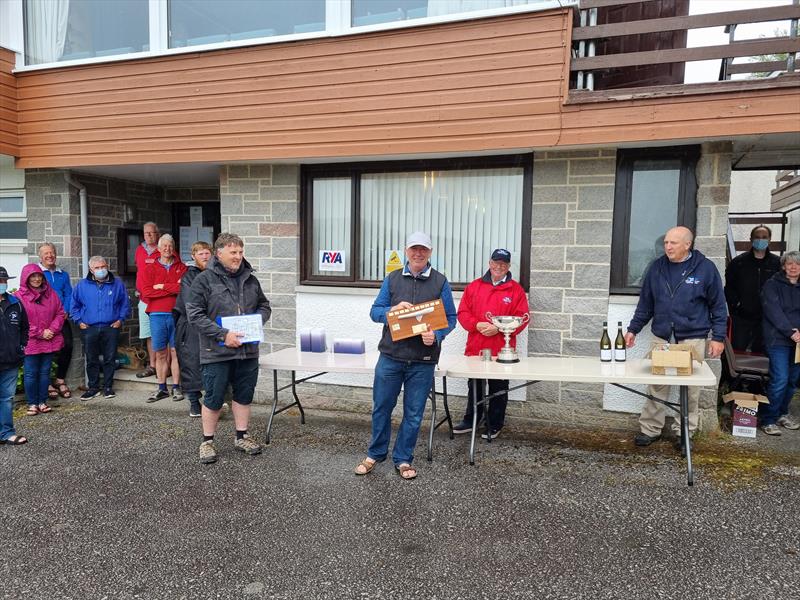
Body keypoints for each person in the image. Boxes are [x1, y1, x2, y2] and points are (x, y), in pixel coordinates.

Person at [354, 232, 457, 480]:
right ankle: (375, 454)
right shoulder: (392, 279)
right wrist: (392, 310)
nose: (418, 253)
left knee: (413, 413)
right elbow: (374, 311)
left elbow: (451, 318)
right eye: (414, 249)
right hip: (391, 356)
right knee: (382, 408)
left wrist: (438, 334)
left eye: (423, 249)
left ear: (430, 252)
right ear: (406, 251)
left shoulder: (440, 282)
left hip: (422, 360)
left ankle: (403, 459)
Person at [624, 226, 726, 450]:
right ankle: (650, 429)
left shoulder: (705, 269)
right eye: (666, 242)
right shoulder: (657, 268)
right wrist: (633, 329)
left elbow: (718, 306)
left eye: (673, 243)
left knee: (689, 389)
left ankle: (685, 433)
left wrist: (718, 337)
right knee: (657, 385)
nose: (668, 247)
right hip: (662, 338)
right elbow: (645, 304)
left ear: (687, 245)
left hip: (691, 340)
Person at [186, 233, 271, 464]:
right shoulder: (204, 280)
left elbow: (264, 305)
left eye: (241, 252)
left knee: (244, 395)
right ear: (219, 253)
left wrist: (257, 321)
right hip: (217, 352)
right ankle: (207, 441)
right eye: (233, 253)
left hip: (247, 350)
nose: (238, 257)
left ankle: (241, 436)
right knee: (213, 397)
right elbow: (194, 315)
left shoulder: (251, 279)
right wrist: (224, 335)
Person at [452, 248, 529, 439]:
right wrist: (476, 324)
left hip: (501, 348)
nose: (498, 266)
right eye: (496, 262)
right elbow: (462, 313)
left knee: (498, 387)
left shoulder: (515, 289)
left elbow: (523, 318)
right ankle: (472, 419)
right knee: (475, 385)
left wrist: (499, 328)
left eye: (503, 263)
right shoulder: (474, 286)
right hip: (476, 346)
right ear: (489, 263)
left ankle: (495, 423)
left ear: (508, 266)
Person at [70, 256, 130, 400]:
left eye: (103, 267)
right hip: (89, 327)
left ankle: (108, 387)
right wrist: (79, 321)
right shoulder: (82, 286)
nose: (101, 270)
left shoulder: (117, 284)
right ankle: (93, 388)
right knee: (91, 359)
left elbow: (125, 304)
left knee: (110, 358)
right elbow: (73, 305)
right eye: (97, 268)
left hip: (111, 327)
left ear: (107, 266)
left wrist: (120, 320)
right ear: (91, 270)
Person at [141, 234, 187, 403]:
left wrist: (162, 286)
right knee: (160, 353)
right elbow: (147, 292)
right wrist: (172, 288)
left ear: (173, 248)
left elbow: (183, 289)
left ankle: (176, 387)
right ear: (158, 249)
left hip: (176, 314)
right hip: (157, 314)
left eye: (170, 246)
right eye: (164, 246)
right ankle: (161, 388)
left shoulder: (182, 268)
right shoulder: (149, 269)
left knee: (176, 351)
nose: (167, 249)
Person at [15, 264, 65, 416]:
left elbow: (60, 313)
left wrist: (51, 330)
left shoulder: (52, 294)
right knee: (30, 373)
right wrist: (40, 333)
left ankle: (42, 402)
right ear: (26, 278)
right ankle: (32, 403)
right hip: (31, 341)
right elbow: (20, 321)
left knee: (45, 373)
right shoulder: (18, 297)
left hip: (49, 338)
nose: (36, 279)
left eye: (39, 276)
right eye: (33, 276)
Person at [758, 250, 800, 435]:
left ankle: (782, 413)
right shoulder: (772, 285)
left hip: (798, 342)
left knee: (792, 380)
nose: (793, 267)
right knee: (780, 379)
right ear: (783, 266)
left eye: (797, 264)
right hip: (778, 340)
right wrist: (791, 332)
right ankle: (768, 419)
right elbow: (773, 312)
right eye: (789, 263)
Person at [724, 225, 780, 353]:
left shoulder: (777, 263)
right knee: (737, 350)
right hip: (742, 317)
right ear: (751, 239)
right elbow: (729, 287)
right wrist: (737, 305)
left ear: (770, 239)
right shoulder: (739, 262)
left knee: (763, 353)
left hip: (768, 318)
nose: (761, 240)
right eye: (757, 237)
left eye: (764, 237)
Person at [173, 241, 212, 417]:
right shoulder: (189, 276)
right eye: (200, 253)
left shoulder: (216, 274)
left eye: (207, 253)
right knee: (191, 362)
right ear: (193, 257)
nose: (204, 256)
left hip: (210, 324)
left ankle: (212, 402)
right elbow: (193, 300)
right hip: (190, 325)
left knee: (210, 362)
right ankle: (194, 402)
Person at [39, 243, 74, 400]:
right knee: (46, 350)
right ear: (40, 256)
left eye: (52, 252)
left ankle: (60, 380)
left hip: (61, 317)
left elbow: (68, 294)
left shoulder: (63, 274)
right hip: (43, 319)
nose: (50, 256)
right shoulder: (37, 273)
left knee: (67, 345)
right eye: (46, 253)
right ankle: (46, 383)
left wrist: (66, 310)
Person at [0, 266, 28, 445]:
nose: (2, 284)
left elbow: (25, 327)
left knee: (7, 399)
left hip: (11, 359)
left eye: (3, 281)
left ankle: (6, 433)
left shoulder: (15, 303)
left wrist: (22, 346)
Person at [135, 222, 160, 378]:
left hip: (159, 299)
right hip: (144, 298)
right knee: (148, 334)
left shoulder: (163, 249)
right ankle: (152, 365)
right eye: (146, 233)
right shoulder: (139, 250)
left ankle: (164, 366)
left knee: (162, 333)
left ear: (157, 234)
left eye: (152, 233)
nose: (149, 235)